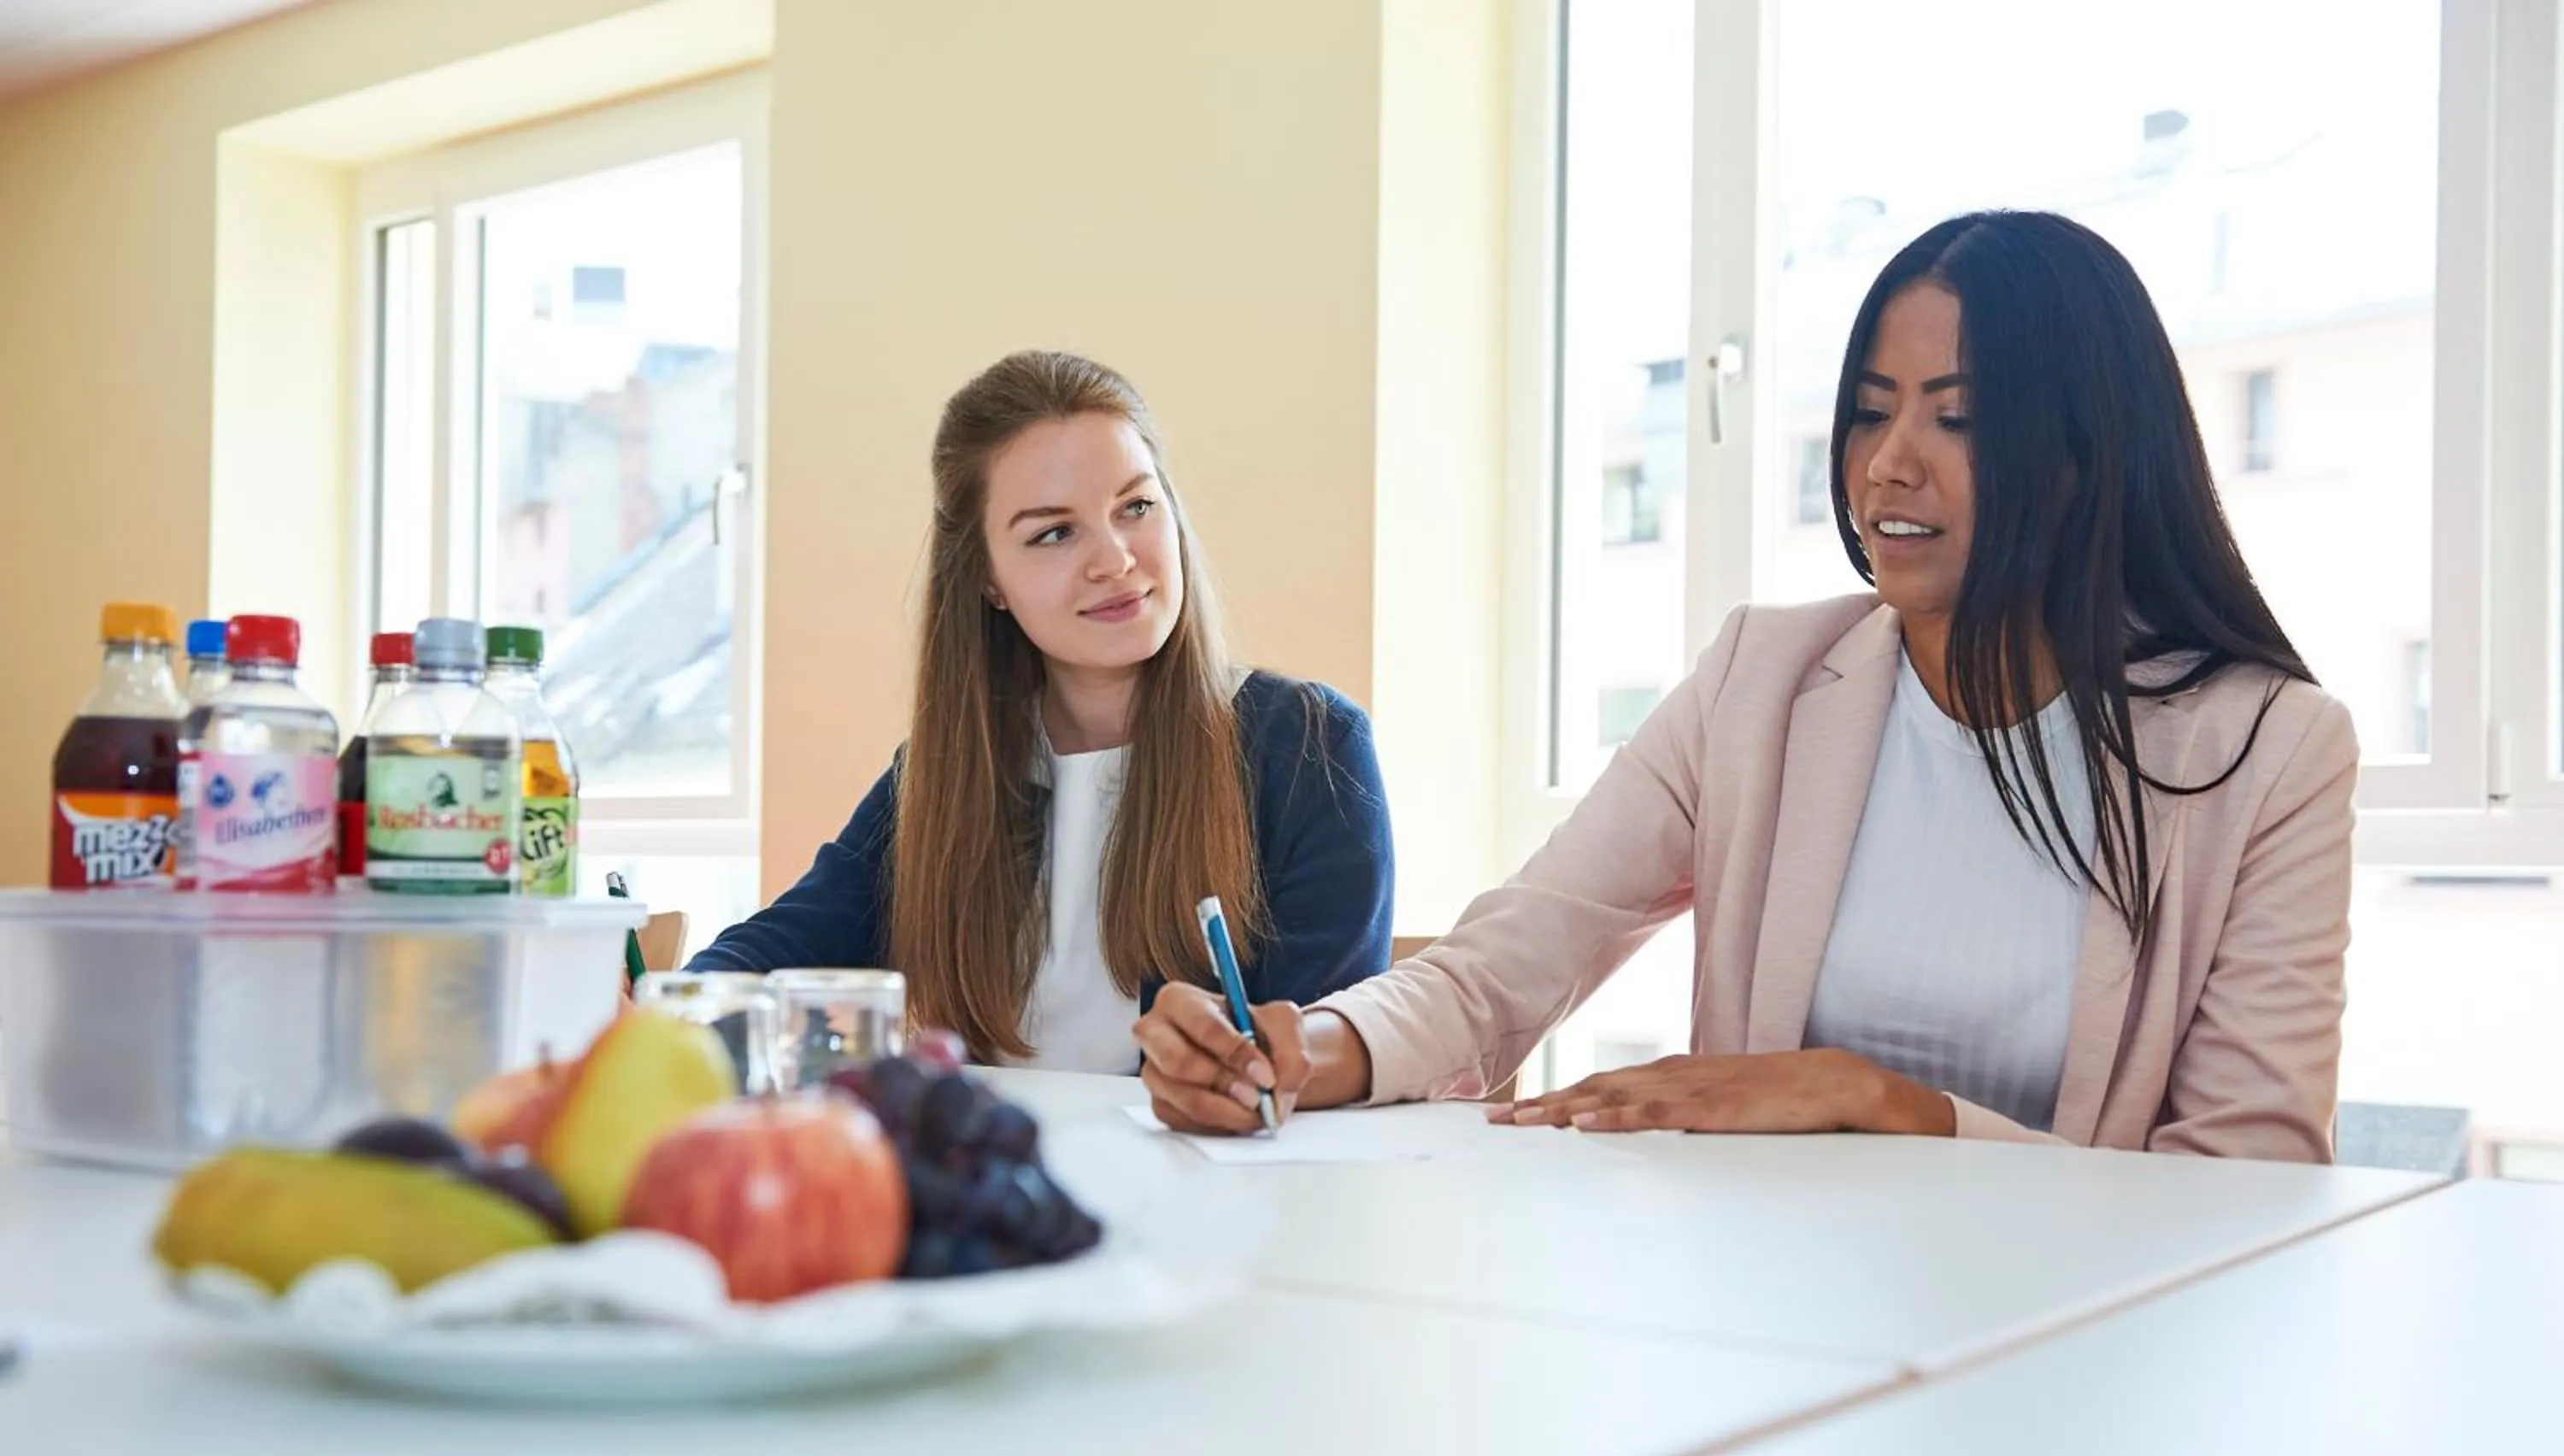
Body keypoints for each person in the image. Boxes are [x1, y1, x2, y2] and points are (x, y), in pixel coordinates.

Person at [1136, 210, 2357, 1161]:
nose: (1888, 465)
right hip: (1765, 1329)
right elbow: (1509, 962)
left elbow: (2245, 1177)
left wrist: (1880, 1106)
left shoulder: (2269, 751)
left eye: (1958, 420)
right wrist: (1312, 1048)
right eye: (1869, 414)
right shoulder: (1763, 684)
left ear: (2091, 459)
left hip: (2086, 1365)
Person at [693, 349, 1394, 1071]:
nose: (1116, 559)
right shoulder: (949, 770)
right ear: (988, 580)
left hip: (1219, 1178)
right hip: (991, 1175)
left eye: (1137, 507)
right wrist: (665, 1009)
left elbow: (1308, 1067)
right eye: (1054, 533)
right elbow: (785, 946)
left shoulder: (1310, 747)